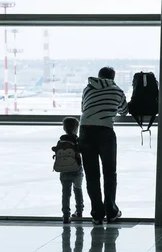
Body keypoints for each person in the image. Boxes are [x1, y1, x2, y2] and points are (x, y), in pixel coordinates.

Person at [79, 67, 128, 225]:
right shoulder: (117, 91)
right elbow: (124, 111)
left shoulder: (88, 88)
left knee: (92, 175)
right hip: (105, 131)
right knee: (109, 173)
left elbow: (83, 108)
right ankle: (111, 211)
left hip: (85, 130)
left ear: (99, 76)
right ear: (113, 78)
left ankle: (97, 214)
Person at [52, 117, 84, 223]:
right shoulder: (77, 140)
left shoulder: (61, 140)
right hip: (77, 169)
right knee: (78, 189)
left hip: (64, 170)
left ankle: (66, 215)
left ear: (64, 128)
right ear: (76, 128)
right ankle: (79, 212)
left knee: (65, 192)